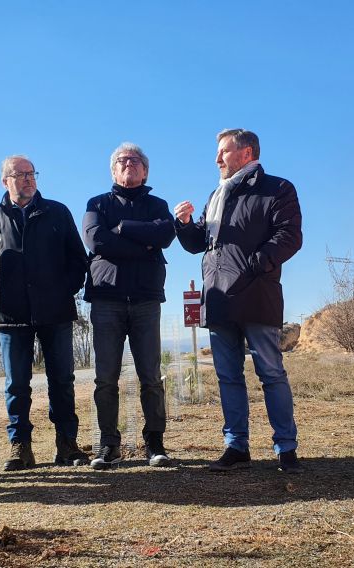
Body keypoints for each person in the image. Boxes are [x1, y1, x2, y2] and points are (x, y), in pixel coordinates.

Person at [174, 129, 304, 474]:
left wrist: (255, 265)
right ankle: (236, 446)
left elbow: (290, 236)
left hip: (256, 294)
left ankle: (285, 448)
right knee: (228, 377)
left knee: (271, 373)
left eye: (223, 151)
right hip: (217, 298)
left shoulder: (277, 189)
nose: (217, 159)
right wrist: (184, 225)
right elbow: (199, 241)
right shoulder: (217, 195)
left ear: (246, 152)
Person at [0, 155, 89, 470]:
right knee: (16, 384)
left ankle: (67, 445)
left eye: (31, 173)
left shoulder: (57, 212)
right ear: (5, 181)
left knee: (62, 381)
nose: (28, 179)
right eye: (20, 174)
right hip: (11, 316)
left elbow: (77, 259)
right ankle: (20, 449)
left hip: (55, 312)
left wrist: (64, 288)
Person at [83, 142, 175, 470]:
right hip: (106, 299)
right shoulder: (97, 203)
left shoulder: (158, 204)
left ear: (145, 170)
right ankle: (109, 445)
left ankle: (155, 443)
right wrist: (143, 243)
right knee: (105, 377)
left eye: (135, 161)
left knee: (151, 375)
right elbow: (96, 241)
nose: (129, 165)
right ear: (113, 170)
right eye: (123, 161)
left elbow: (166, 234)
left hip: (146, 299)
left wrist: (121, 229)